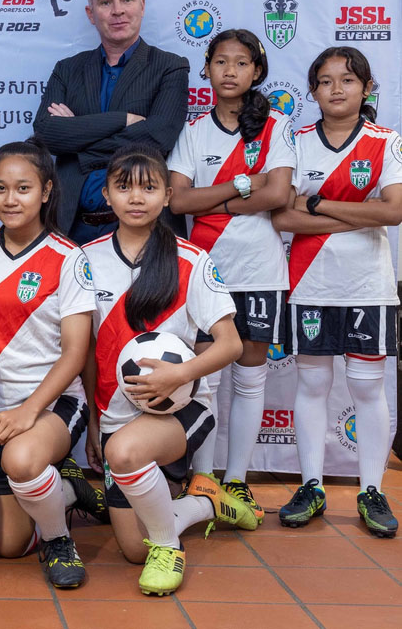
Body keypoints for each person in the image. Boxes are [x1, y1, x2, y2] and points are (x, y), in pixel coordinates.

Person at [83, 145, 259, 596]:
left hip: (182, 409)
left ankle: (169, 548)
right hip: (116, 415)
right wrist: (94, 421)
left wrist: (178, 376)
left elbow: (231, 344)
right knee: (131, 548)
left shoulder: (191, 260)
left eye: (149, 187)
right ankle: (204, 502)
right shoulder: (84, 261)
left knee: (126, 456)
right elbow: (87, 351)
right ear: (106, 195)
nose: (136, 197)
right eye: (124, 187)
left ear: (167, 197)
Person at [0, 140, 102, 589]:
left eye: (23, 188)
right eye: (0, 188)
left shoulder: (69, 257)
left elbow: (76, 352)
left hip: (51, 403)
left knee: (21, 458)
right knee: (9, 544)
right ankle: (66, 487)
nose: (10, 199)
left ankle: (59, 540)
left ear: (46, 191)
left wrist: (27, 411)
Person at [271, 47, 402, 538]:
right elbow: (282, 216)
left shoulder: (386, 141)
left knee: (367, 388)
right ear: (313, 91)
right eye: (325, 81)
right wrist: (359, 211)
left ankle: (372, 490)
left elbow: (394, 211)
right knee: (311, 386)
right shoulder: (297, 140)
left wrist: (320, 204)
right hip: (311, 282)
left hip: (368, 286)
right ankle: (311, 485)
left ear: (366, 88)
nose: (336, 89)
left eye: (347, 79)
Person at [167, 29, 294, 518]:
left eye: (241, 63)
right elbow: (179, 200)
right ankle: (203, 480)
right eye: (221, 62)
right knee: (207, 380)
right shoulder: (194, 130)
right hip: (206, 269)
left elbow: (277, 194)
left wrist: (215, 200)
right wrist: (242, 185)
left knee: (249, 379)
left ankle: (236, 480)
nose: (230, 71)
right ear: (207, 68)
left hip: (260, 269)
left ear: (256, 71)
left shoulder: (276, 126)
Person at [32, 0, 189, 244]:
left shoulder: (170, 67)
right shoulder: (67, 69)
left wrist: (77, 143)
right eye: (105, 2)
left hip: (145, 230)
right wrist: (121, 120)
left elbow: (157, 138)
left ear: (141, 6)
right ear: (91, 14)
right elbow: (46, 134)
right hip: (70, 227)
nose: (118, 10)